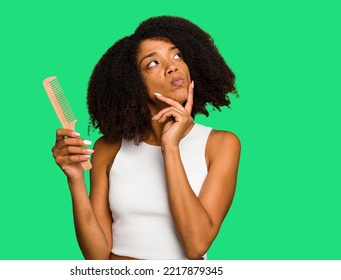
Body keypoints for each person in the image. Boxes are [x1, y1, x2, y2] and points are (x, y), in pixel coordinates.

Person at [51, 16, 241, 260]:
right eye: (152, 63)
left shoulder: (221, 144)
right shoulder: (109, 148)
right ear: (132, 84)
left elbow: (197, 245)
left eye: (177, 55)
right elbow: (96, 259)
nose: (172, 66)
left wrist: (170, 147)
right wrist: (75, 179)